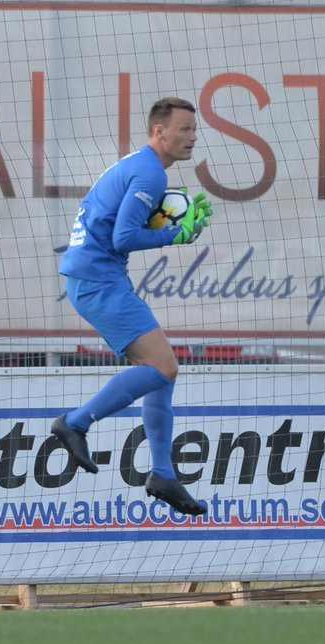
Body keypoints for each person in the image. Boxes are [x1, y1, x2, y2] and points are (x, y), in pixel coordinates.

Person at [51, 97, 212, 517]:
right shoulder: (150, 173)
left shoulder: (139, 165)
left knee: (162, 373)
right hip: (98, 282)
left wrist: (166, 219)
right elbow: (123, 237)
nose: (192, 137)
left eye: (194, 129)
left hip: (96, 279)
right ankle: (76, 423)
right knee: (164, 367)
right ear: (159, 131)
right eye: (184, 129)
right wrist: (176, 234)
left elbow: (117, 224)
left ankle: (163, 473)